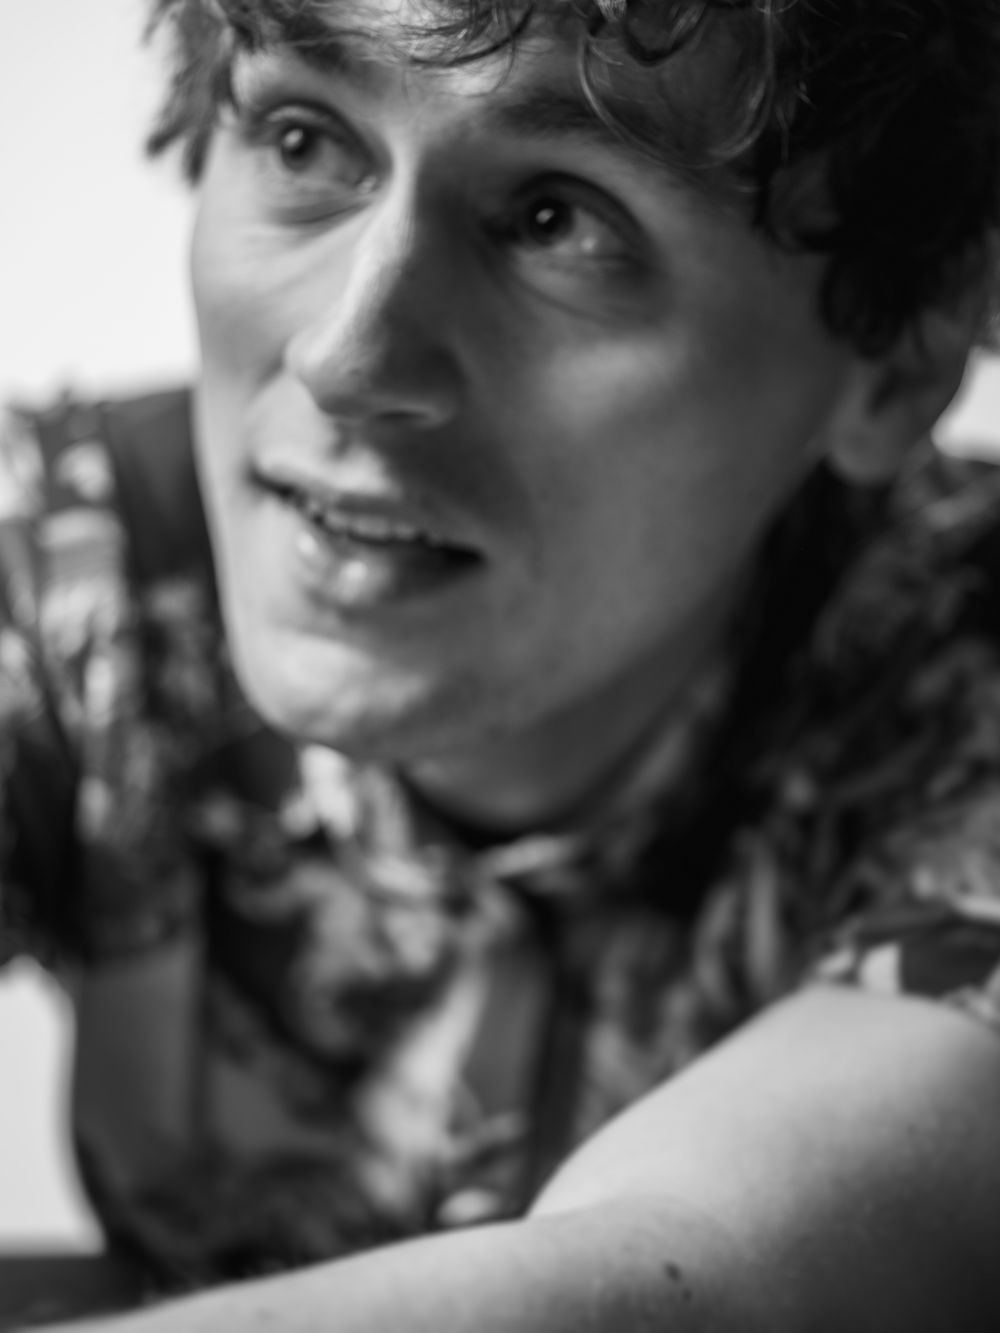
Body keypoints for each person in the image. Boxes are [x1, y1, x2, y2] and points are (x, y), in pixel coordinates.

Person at [2, 0, 1000, 1327]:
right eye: (304, 140)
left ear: (899, 362)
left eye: (556, 219)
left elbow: (690, 1281)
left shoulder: (960, 655)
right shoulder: (66, 562)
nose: (343, 357)